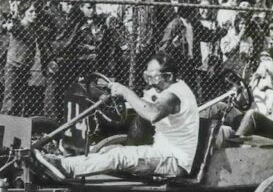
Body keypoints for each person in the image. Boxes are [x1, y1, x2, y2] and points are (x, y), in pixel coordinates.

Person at [35, 53, 198, 180]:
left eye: (153, 77)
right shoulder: (164, 90)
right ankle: (64, 160)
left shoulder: (174, 94)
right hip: (162, 153)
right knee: (109, 149)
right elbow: (135, 107)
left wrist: (126, 91)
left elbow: (152, 113)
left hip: (174, 160)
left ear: (168, 76)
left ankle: (63, 166)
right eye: (146, 76)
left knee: (118, 156)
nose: (149, 82)